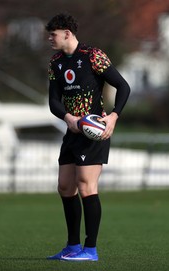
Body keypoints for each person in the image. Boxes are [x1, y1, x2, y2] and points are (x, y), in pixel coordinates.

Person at [45, 13, 130, 262]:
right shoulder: (55, 62)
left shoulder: (93, 55)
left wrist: (113, 117)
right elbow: (53, 102)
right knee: (64, 186)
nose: (50, 38)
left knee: (86, 186)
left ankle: (90, 250)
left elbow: (123, 86)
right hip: (73, 132)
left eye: (53, 34)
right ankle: (72, 246)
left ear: (67, 34)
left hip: (95, 131)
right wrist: (69, 118)